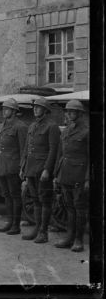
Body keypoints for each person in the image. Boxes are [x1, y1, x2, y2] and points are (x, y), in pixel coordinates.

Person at [20, 97, 61, 244]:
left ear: (45, 110)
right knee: (35, 200)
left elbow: (53, 150)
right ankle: (37, 229)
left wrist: (47, 170)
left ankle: (44, 232)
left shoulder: (52, 126)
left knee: (45, 201)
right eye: (35, 107)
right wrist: (23, 166)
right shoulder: (32, 126)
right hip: (30, 168)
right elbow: (26, 148)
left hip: (42, 170)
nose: (35, 109)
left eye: (39, 107)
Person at [53, 100, 89, 252]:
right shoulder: (66, 131)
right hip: (65, 173)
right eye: (68, 111)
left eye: (72, 111)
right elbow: (60, 155)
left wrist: (88, 178)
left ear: (80, 114)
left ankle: (78, 240)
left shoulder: (87, 132)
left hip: (79, 175)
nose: (69, 114)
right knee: (69, 207)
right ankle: (69, 237)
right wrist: (56, 174)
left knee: (79, 208)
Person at [0, 98, 28, 234]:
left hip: (12, 166)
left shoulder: (20, 126)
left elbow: (24, 149)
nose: (4, 111)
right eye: (4, 109)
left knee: (15, 195)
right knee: (6, 195)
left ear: (13, 111)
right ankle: (9, 222)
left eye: (7, 109)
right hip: (1, 164)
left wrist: (22, 167)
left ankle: (15, 225)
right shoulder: (2, 125)